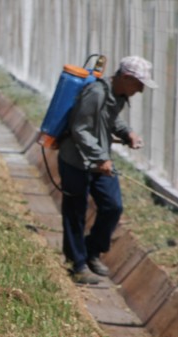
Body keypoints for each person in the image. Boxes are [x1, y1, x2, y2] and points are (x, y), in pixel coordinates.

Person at [57, 56, 157, 284]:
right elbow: (80, 129)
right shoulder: (96, 93)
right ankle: (77, 264)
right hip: (76, 160)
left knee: (113, 206)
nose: (141, 90)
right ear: (126, 77)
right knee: (75, 211)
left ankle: (91, 251)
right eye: (139, 84)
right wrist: (101, 158)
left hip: (98, 161)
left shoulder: (117, 95)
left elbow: (108, 120)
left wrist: (127, 133)